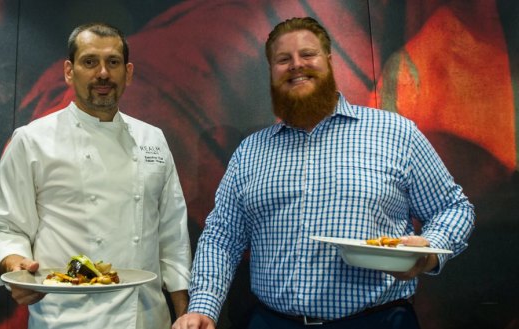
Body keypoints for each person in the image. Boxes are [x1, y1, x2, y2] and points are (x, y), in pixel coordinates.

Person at [172, 16, 475, 329]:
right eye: (283, 59)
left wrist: (428, 251)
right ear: (271, 72)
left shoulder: (395, 133)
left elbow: (453, 208)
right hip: (273, 322)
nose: (296, 65)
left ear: (329, 61)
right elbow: (222, 236)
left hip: (377, 321)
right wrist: (203, 307)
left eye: (308, 54)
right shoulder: (250, 152)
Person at [0, 22, 192, 329]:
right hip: (65, 318)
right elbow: (4, 229)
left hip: (144, 317)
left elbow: (172, 237)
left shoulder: (152, 139)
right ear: (69, 71)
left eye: (113, 62)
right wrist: (14, 265)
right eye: (90, 62)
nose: (103, 73)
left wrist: (183, 313)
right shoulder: (32, 140)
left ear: (128, 73)